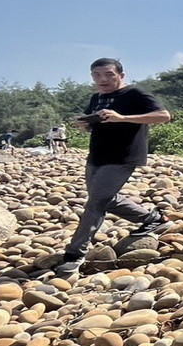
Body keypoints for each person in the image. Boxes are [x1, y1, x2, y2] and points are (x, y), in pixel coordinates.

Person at [54, 58, 172, 274]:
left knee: (96, 203)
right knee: (105, 198)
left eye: (109, 74)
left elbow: (163, 116)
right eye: (97, 75)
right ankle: (154, 218)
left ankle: (74, 253)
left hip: (123, 156)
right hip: (97, 155)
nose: (103, 79)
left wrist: (123, 118)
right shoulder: (96, 98)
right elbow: (99, 124)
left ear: (121, 75)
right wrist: (86, 125)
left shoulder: (134, 93)